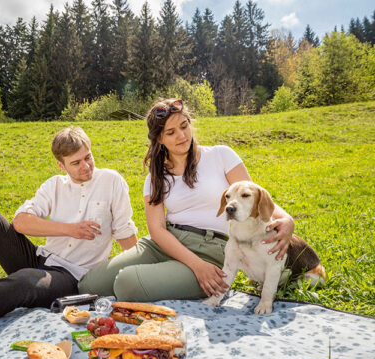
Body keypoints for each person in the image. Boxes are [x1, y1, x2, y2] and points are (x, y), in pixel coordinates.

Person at [78, 99, 295, 301]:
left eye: (184, 126)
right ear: (160, 139)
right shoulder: (155, 177)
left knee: (126, 284)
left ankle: (171, 275)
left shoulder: (221, 155)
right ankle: (168, 272)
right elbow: (157, 230)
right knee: (89, 284)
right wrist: (193, 264)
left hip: (209, 250)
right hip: (165, 244)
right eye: (171, 132)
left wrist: (286, 219)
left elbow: (254, 197)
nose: (181, 136)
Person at [0, 126, 138, 320]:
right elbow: (21, 222)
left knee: (24, 281)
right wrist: (70, 230)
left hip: (71, 277)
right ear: (61, 165)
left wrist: (136, 277)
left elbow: (124, 231)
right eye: (75, 163)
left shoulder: (111, 181)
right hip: (39, 258)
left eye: (88, 157)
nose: (85, 166)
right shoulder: (54, 185)